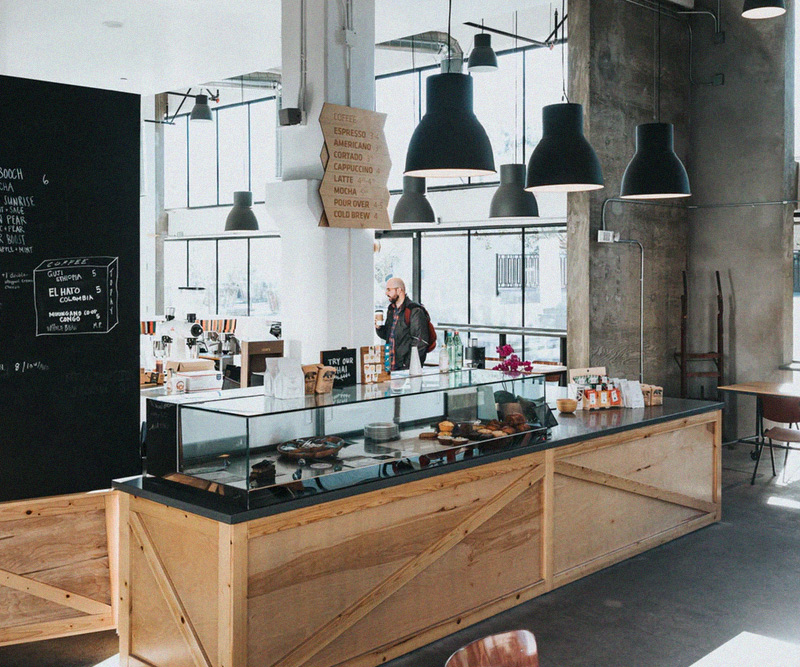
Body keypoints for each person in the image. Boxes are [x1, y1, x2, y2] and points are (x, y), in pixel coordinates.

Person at [375, 277, 430, 371]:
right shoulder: (391, 310)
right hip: (391, 367)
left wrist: (407, 366)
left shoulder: (414, 311)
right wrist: (379, 328)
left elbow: (420, 342)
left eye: (389, 290)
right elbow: (389, 336)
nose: (386, 293)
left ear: (399, 290)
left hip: (406, 369)